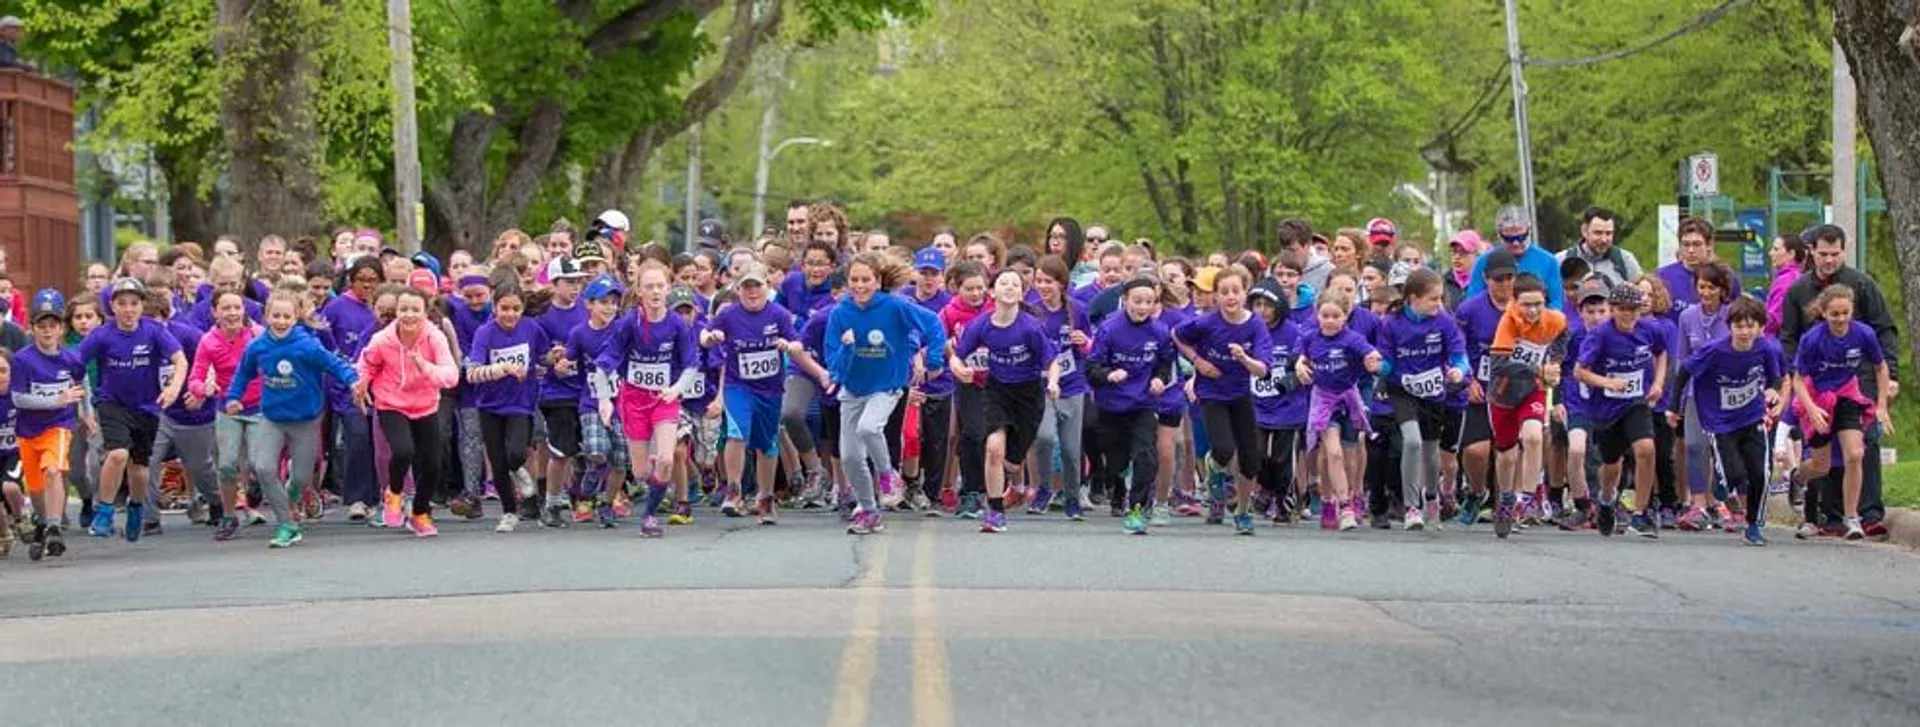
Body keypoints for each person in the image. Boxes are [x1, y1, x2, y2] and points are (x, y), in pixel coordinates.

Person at [1777, 224, 1899, 536]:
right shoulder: (1798, 291)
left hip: (1857, 375)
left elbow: (1883, 329)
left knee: (1863, 443)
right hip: (1814, 379)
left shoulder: (1861, 284)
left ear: (1843, 252)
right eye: (1823, 254)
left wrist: (1890, 378)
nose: (1829, 260)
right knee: (1822, 450)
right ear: (1812, 253)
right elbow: (1788, 337)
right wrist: (1791, 379)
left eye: (1835, 254)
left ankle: (1866, 512)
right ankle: (1829, 514)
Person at [228, 292, 361, 548]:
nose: (280, 321)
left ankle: (291, 496)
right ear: (266, 316)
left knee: (300, 477)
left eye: (286, 316)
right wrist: (234, 397)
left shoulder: (306, 345)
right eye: (275, 316)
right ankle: (287, 523)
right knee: (263, 467)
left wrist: (353, 381)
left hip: (305, 419)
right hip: (272, 417)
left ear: (295, 317)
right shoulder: (258, 346)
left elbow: (335, 364)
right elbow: (242, 374)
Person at [827, 253, 945, 535]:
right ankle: (869, 511)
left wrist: (935, 360)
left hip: (887, 386)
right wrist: (846, 348)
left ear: (878, 281)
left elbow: (933, 325)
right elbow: (834, 363)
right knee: (851, 457)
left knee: (870, 428)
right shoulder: (840, 313)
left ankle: (888, 475)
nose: (860, 285)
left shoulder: (895, 306)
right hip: (853, 389)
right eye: (854, 280)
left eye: (866, 280)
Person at [593, 263, 702, 537]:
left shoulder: (676, 324)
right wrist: (604, 400)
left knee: (666, 459)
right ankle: (647, 486)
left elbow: (691, 364)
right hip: (634, 399)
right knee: (642, 472)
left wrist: (676, 389)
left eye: (660, 286)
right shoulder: (629, 323)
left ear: (668, 289)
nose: (655, 292)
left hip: (665, 398)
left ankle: (650, 515)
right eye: (649, 286)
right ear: (639, 291)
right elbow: (604, 364)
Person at [1668, 296, 1786, 546]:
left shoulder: (1766, 348)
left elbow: (1775, 377)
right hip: (1719, 419)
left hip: (1752, 415)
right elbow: (1684, 373)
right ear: (1729, 326)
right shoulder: (1715, 351)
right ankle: (1724, 486)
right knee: (1735, 472)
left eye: (1750, 326)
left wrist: (1773, 390)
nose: (1744, 332)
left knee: (1760, 473)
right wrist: (1673, 407)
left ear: (1760, 327)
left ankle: (1754, 525)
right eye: (1739, 326)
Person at [78, 279, 186, 542]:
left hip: (147, 406)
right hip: (112, 402)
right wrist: (77, 402)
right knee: (117, 454)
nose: (128, 310)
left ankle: (136, 507)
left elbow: (180, 360)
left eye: (134, 303)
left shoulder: (153, 330)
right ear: (112, 306)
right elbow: (75, 363)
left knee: (139, 466)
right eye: (122, 304)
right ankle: (104, 511)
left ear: (142, 306)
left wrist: (173, 388)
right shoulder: (102, 334)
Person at [954, 269, 1060, 534]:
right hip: (997, 390)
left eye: (1016, 284)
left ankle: (1015, 481)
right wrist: (959, 369)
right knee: (993, 448)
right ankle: (995, 511)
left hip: (1028, 394)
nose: (1010, 287)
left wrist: (1053, 382)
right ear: (993, 291)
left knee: (1012, 461)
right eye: (1004, 283)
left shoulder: (1031, 328)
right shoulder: (982, 324)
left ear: (1022, 293)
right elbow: (957, 355)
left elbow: (1052, 361)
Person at [703, 263, 808, 524]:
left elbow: (797, 342)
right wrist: (711, 337)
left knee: (767, 444)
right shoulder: (729, 315)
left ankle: (765, 497)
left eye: (757, 286)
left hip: (769, 390)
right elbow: (704, 335)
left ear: (767, 287)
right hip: (739, 385)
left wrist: (788, 345)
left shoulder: (779, 314)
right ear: (737, 290)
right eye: (746, 287)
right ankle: (734, 490)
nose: (752, 292)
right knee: (738, 433)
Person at [1173, 266, 1274, 535]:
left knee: (1251, 460)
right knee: (1224, 448)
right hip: (1212, 394)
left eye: (1236, 291)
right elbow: (1177, 336)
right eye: (1224, 292)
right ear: (1216, 296)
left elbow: (1263, 370)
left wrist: (1243, 358)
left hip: (1240, 394)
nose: (1231, 297)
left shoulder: (1255, 325)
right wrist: (1198, 362)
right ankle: (1213, 466)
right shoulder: (1207, 322)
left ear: (1245, 293)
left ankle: (1243, 513)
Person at [354, 287, 460, 537]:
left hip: (425, 404)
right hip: (392, 402)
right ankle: (394, 492)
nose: (409, 315)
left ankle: (419, 514)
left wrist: (425, 367)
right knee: (403, 451)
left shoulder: (435, 337)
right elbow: (366, 363)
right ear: (396, 312)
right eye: (404, 309)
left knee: (433, 464)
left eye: (415, 310)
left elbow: (451, 375)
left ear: (425, 313)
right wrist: (360, 384)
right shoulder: (383, 339)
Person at [1790, 284, 1892, 540]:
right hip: (1817, 396)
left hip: (1847, 393)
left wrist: (1881, 406)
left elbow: (1881, 368)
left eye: (1845, 312)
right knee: (1821, 466)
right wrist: (1812, 409)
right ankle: (1798, 478)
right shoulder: (1812, 339)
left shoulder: (1864, 334)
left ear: (1852, 311)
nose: (1840, 319)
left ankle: (1851, 517)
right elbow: (1799, 379)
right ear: (1824, 313)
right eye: (1834, 314)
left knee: (1855, 454)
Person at [1375, 269, 1467, 531]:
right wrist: (1378, 367)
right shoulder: (1391, 323)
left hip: (1433, 392)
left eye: (1440, 299)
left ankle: (1432, 499)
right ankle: (1411, 507)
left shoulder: (1444, 321)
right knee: (1412, 442)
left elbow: (1459, 354)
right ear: (1413, 298)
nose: (1439, 305)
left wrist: (1458, 370)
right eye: (1433, 299)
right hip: (1402, 390)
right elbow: (1388, 362)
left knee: (1430, 452)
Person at [1574, 284, 1667, 539]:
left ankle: (1641, 513)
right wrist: (1607, 383)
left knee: (1646, 449)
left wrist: (1658, 383)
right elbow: (1579, 371)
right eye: (1623, 310)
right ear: (1613, 310)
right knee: (1612, 463)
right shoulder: (1600, 335)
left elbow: (1661, 353)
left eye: (1634, 310)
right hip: (1606, 406)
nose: (1628, 316)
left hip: (1636, 401)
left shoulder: (1650, 329)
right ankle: (1606, 500)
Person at [1087, 278, 1175, 534]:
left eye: (1149, 302)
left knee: (1147, 456)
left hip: (1142, 404)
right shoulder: (1109, 328)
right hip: (1111, 406)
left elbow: (1165, 362)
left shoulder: (1158, 331)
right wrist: (1109, 375)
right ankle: (1118, 481)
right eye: (1137, 301)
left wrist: (1160, 378)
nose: (1143, 307)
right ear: (1125, 300)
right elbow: (1092, 368)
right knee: (1117, 461)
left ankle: (1137, 509)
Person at [1485, 274, 1568, 539]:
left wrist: (1554, 363)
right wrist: (1537, 368)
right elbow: (1498, 365)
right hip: (1503, 393)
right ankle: (1506, 497)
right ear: (1515, 302)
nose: (1532, 311)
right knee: (1507, 455)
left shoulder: (1555, 320)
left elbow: (1564, 339)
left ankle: (1526, 497)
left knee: (1534, 436)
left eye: (1538, 304)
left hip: (1534, 389)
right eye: (1527, 305)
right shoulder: (1507, 323)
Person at [1294, 287, 1379, 532]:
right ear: (1317, 315)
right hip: (1323, 401)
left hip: (1348, 399)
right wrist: (1300, 364)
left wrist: (1372, 361)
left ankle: (1350, 496)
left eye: (1336, 316)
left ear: (1346, 316)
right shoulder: (1311, 337)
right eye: (1325, 316)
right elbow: (1298, 355)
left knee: (1350, 454)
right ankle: (1343, 506)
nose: (1330, 321)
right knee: (1333, 453)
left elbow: (1371, 353)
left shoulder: (1351, 339)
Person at [11, 289, 86, 561]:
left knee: (53, 471)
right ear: (32, 328)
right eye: (41, 326)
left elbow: (81, 383)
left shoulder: (71, 359)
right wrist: (57, 398)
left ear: (61, 328)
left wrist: (86, 413)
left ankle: (54, 526)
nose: (47, 331)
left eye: (52, 325)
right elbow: (19, 398)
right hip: (28, 431)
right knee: (36, 487)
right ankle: (43, 521)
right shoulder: (22, 359)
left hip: (59, 425)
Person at [466, 277, 545, 533]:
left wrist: (555, 359)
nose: (510, 314)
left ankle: (520, 474)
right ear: (495, 307)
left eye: (515, 309)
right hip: (489, 405)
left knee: (515, 452)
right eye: (504, 309)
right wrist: (502, 369)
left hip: (520, 403)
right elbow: (472, 373)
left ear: (522, 309)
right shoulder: (485, 333)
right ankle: (510, 511)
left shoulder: (531, 329)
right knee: (498, 463)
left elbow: (543, 358)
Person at [187, 290, 261, 540]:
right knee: (227, 465)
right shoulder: (209, 342)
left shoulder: (257, 335)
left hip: (260, 406)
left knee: (257, 463)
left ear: (244, 310)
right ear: (215, 312)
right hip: (227, 408)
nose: (232, 313)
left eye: (236, 307)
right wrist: (203, 389)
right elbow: (195, 377)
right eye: (226, 308)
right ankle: (229, 516)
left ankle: (255, 487)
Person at [1027, 256, 1090, 515]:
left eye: (1048, 281)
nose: (1043, 286)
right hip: (1042, 386)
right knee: (1043, 437)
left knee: (1071, 449)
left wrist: (1083, 341)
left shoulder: (1077, 310)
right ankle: (1043, 489)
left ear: (1062, 283)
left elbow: (1090, 347)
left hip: (1072, 385)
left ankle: (1072, 498)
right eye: (1039, 281)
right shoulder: (1031, 310)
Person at [1465, 206, 1564, 310]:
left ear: (1529, 231)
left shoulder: (1548, 261)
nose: (1516, 243)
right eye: (1509, 239)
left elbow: (1556, 303)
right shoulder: (1484, 262)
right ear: (1499, 235)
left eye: (1521, 237)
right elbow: (1473, 303)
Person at [1658, 217, 1741, 311]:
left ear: (1709, 245)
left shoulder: (1726, 276)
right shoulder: (1662, 276)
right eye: (1686, 244)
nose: (1691, 250)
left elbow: (1737, 312)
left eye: (1697, 244)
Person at [1555, 206, 1642, 289]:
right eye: (1598, 233)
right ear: (1584, 231)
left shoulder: (1625, 261)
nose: (1604, 240)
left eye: (1608, 233)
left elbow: (1642, 296)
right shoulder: (1561, 260)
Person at [1764, 233, 1806, 338]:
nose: (1770, 253)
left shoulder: (1785, 281)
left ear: (1791, 254)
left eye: (1776, 249)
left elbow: (1774, 320)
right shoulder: (1799, 276)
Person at [1445, 230, 1483, 310]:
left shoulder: (1485, 283)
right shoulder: (1442, 283)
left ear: (1477, 254)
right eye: (1454, 252)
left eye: (1463, 252)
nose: (1457, 257)